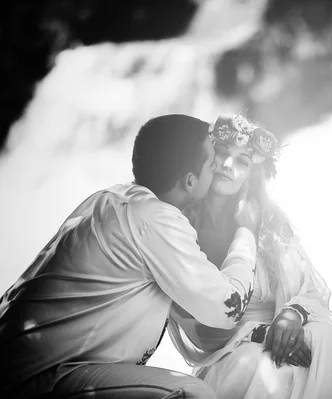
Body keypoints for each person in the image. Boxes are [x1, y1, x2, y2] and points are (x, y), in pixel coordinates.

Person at [0, 114, 260, 399]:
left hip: (21, 361)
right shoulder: (156, 221)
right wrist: (246, 231)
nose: (219, 170)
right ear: (189, 180)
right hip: (45, 374)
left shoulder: (110, 198)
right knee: (192, 393)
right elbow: (227, 308)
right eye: (212, 163)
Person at [168, 114, 332, 399]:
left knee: (324, 337)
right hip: (233, 354)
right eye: (222, 154)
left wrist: (291, 314)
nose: (228, 166)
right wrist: (261, 333)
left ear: (252, 174)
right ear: (206, 159)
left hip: (286, 340)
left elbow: (310, 290)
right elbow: (198, 326)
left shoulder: (271, 222)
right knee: (264, 363)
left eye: (242, 162)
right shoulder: (182, 226)